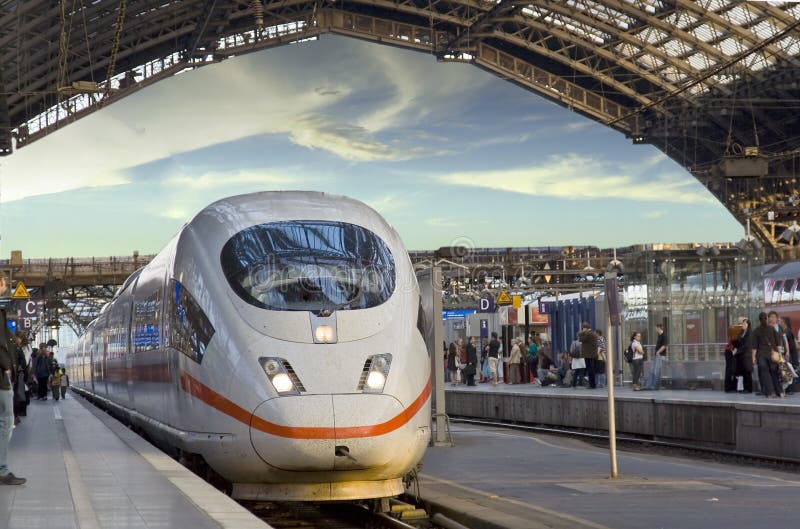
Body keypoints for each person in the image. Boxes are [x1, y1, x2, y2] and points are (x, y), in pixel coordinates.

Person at [0, 273, 26, 485]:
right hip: (0, 378)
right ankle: (1, 469)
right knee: (6, 421)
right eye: (5, 283)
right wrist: (7, 367)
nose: (6, 286)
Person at [752, 311, 783, 398]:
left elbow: (754, 347)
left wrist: (753, 357)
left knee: (765, 374)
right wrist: (780, 354)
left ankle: (770, 392)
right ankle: (780, 392)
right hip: (772, 354)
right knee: (774, 373)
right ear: (767, 319)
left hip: (761, 355)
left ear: (759, 320)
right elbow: (778, 343)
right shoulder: (772, 329)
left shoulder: (756, 331)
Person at [643, 324, 667, 390]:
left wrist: (658, 352)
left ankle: (655, 386)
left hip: (660, 355)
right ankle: (649, 385)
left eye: (656, 328)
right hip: (657, 355)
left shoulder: (664, 335)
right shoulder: (659, 336)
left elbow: (664, 345)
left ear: (659, 328)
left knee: (657, 371)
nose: (655, 329)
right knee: (652, 370)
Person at [733, 318, 754, 393]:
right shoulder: (741, 332)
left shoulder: (750, 333)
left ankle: (749, 388)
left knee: (747, 372)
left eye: (745, 324)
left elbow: (748, 344)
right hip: (740, 354)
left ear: (748, 325)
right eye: (743, 324)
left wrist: (740, 349)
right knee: (742, 372)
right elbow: (738, 341)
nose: (743, 325)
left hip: (747, 354)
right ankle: (743, 387)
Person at [577, 322, 598, 389]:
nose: (582, 329)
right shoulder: (592, 333)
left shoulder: (588, 334)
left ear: (586, 328)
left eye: (583, 328)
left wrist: (581, 332)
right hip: (591, 354)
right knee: (591, 369)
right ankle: (593, 384)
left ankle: (592, 385)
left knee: (590, 370)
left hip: (588, 354)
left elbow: (581, 339)